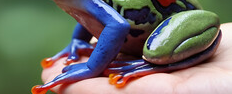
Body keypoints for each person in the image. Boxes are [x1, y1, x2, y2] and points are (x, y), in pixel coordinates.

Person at [40, 23, 232, 94]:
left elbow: (117, 25)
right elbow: (89, 14)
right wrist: (77, 41)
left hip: (173, 22)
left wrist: (91, 68)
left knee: (156, 52)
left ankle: (154, 62)